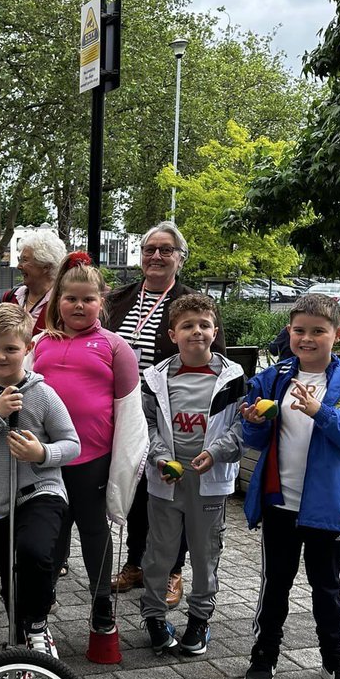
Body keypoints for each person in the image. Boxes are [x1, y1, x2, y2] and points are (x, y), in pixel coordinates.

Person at [240, 293, 340, 679]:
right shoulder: (274, 378)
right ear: (289, 332)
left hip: (326, 508)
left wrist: (322, 412)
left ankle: (335, 662)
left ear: (337, 334)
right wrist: (251, 422)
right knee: (275, 585)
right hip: (280, 502)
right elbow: (255, 437)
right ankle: (264, 655)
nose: (307, 338)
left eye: (318, 331)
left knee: (327, 588)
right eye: (299, 330)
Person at [107, 222, 226, 606]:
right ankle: (137, 563)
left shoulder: (193, 304)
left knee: (172, 493)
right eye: (149, 249)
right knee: (140, 490)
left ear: (180, 258)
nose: (156, 256)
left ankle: (173, 569)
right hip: (122, 411)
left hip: (172, 416)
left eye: (166, 250)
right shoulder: (118, 298)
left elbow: (216, 363)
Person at [32, 254, 148, 638]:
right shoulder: (40, 344)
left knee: (93, 531)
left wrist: (125, 465)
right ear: (57, 301)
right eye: (70, 299)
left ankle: (100, 603)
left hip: (93, 460)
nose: (79, 306)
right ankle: (41, 601)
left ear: (102, 301)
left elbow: (131, 413)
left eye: (88, 299)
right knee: (51, 533)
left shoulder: (116, 347)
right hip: (47, 460)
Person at [0, 304, 79, 655]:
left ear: (27, 349)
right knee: (11, 579)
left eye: (11, 348)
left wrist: (41, 454)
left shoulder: (42, 393)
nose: (0, 356)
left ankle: (38, 625)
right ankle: (24, 651)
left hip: (42, 491)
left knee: (33, 552)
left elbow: (72, 444)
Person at [140, 294, 245, 656]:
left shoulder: (233, 377)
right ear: (173, 334)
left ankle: (199, 619)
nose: (196, 332)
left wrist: (216, 453)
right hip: (166, 481)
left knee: (205, 554)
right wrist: (160, 457)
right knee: (159, 553)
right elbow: (147, 424)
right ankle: (154, 616)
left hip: (209, 483)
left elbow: (240, 428)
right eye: (187, 326)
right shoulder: (155, 378)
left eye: (204, 325)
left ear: (215, 331)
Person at [3, 229, 67, 335]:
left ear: (46, 266)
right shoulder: (10, 297)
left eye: (25, 260)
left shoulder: (62, 303)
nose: (19, 266)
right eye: (20, 260)